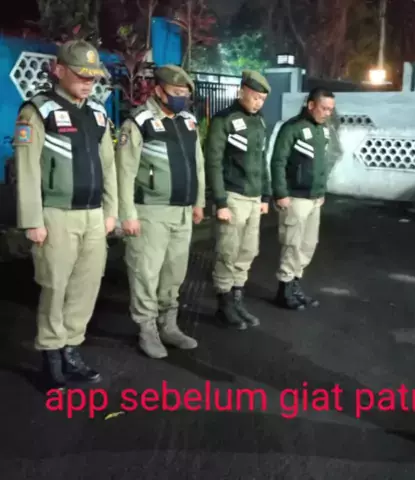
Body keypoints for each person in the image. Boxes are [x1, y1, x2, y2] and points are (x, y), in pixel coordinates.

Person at [13, 40, 118, 390]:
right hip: (56, 215)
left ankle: (71, 350)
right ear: (59, 70)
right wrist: (33, 220)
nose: (88, 82)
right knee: (54, 287)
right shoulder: (37, 111)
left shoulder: (98, 113)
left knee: (86, 287)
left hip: (93, 215)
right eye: (81, 75)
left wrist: (111, 210)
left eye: (93, 76)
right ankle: (51, 357)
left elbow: (109, 166)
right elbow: (27, 169)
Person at [115, 65, 205, 359]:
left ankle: (169, 325)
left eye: (185, 94)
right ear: (158, 91)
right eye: (176, 92)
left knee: (174, 273)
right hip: (150, 211)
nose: (182, 98)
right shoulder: (139, 122)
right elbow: (124, 172)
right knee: (146, 273)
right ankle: (147, 329)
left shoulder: (188, 122)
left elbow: (198, 164)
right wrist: (126, 214)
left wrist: (199, 201)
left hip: (182, 211)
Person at [205, 70, 271, 330]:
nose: (258, 103)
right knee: (228, 251)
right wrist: (220, 201)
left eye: (262, 99)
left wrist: (265, 194)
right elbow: (213, 162)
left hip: (254, 197)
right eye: (255, 97)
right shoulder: (225, 119)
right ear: (242, 91)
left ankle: (237, 300)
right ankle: (224, 304)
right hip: (233, 195)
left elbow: (262, 160)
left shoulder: (260, 121)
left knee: (248, 251)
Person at [270, 87, 335, 309]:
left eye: (331, 109)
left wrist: (321, 192)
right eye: (324, 108)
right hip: (295, 197)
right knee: (292, 244)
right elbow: (278, 161)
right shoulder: (292, 128)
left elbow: (321, 164)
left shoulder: (322, 130)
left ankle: (295, 284)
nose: (328, 113)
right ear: (311, 105)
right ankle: (284, 290)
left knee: (308, 245)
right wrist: (281, 193)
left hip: (314, 198)